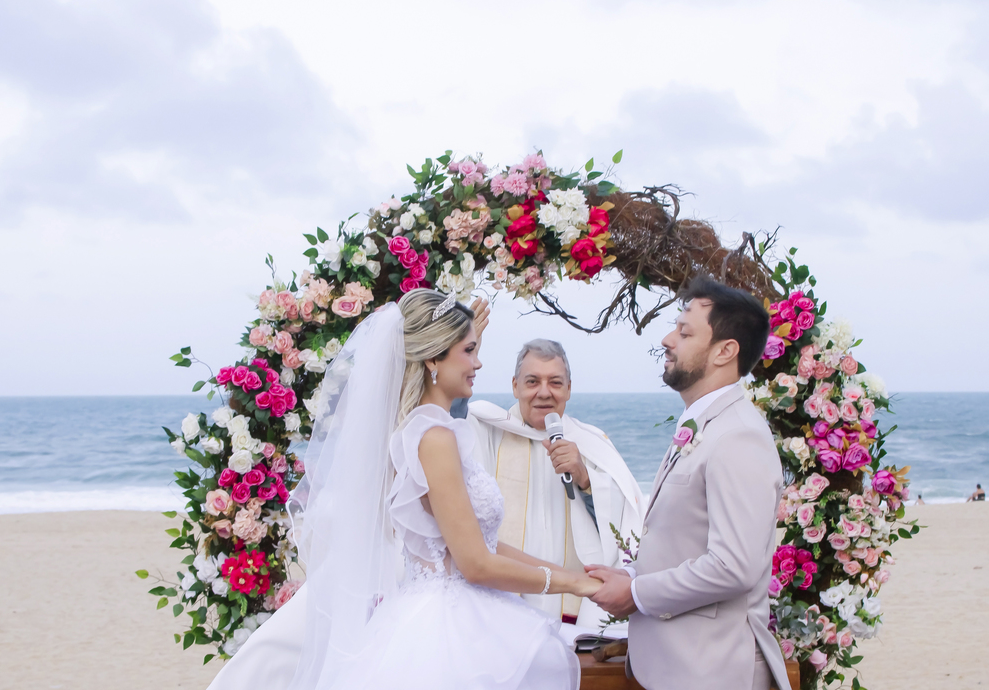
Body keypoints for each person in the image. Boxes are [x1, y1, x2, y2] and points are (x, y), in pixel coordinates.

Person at [206, 289, 596, 690]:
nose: (478, 363)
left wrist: (567, 573)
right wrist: (573, 584)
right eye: (468, 350)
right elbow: (475, 564)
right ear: (433, 358)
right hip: (448, 628)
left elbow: (485, 544)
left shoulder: (420, 429)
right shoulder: (434, 437)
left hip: (440, 612)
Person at [586, 276, 793, 690]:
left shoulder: (738, 435)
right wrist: (631, 574)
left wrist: (638, 593)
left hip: (713, 670)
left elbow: (733, 567)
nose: (667, 339)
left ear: (725, 351)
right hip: (676, 666)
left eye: (684, 331)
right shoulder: (705, 425)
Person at [464, 337, 644, 628]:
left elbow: (624, 525)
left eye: (556, 383)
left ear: (569, 389)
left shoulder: (591, 443)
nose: (544, 393)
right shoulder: (485, 429)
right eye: (532, 381)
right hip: (497, 602)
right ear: (515, 386)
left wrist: (586, 479)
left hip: (570, 606)